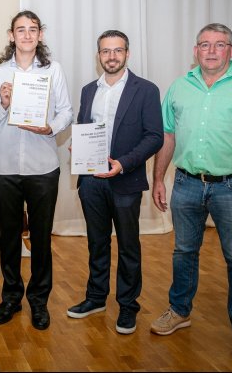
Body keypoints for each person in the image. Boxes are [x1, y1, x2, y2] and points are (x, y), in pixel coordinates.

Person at [151, 23, 232, 360]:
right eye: (205, 44)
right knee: (184, 252)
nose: (211, 50)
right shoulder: (179, 87)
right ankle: (179, 311)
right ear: (195, 51)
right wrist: (157, 179)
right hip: (185, 184)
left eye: (220, 44)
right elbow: (167, 136)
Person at [0, 10, 73, 330]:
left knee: (41, 238)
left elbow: (66, 112)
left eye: (32, 29)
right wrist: (4, 104)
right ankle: (11, 298)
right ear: (11, 35)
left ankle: (38, 301)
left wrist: (51, 128)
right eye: (21, 30)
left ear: (40, 35)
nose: (27, 35)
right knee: (8, 237)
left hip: (43, 165)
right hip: (4, 166)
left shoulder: (53, 71)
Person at [66, 30, 163, 334]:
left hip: (125, 180)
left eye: (117, 51)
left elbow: (154, 137)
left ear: (127, 54)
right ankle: (95, 298)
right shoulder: (88, 90)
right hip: (92, 180)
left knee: (128, 246)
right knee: (96, 243)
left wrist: (123, 164)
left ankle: (128, 307)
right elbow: (84, 127)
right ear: (99, 56)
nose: (111, 56)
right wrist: (78, 146)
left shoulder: (145, 90)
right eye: (106, 51)